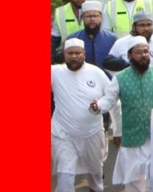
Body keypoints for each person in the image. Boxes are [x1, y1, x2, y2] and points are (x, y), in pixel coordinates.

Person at [109, 37, 153, 192]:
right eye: (139, 52)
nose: (144, 55)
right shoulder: (120, 77)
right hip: (132, 135)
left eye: (146, 51)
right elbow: (109, 99)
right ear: (130, 55)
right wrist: (98, 106)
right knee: (133, 180)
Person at [51, 39, 117, 192]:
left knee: (95, 174)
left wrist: (100, 106)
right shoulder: (55, 72)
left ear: (84, 54)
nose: (74, 56)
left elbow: (112, 96)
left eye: (77, 53)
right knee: (65, 175)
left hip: (92, 133)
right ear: (65, 55)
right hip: (63, 134)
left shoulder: (96, 72)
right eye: (70, 53)